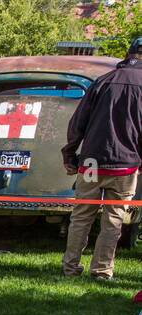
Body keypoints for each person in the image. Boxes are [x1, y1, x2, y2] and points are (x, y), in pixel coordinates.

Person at [62, 38, 142, 281]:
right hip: (125, 166)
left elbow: (78, 122)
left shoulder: (102, 81)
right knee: (114, 218)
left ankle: (70, 268)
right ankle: (102, 271)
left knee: (81, 215)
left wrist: (69, 154)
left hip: (92, 162)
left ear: (128, 54)